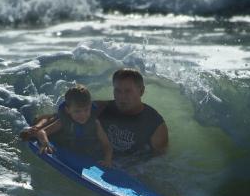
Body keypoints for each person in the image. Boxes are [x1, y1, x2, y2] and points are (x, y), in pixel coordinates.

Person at [21, 68, 168, 158]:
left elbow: (158, 160)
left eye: (128, 91)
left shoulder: (154, 125)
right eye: (117, 90)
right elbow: (60, 116)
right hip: (91, 155)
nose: (121, 96)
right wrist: (38, 128)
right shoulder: (102, 108)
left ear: (141, 91)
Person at [31, 84, 113, 167]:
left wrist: (107, 159)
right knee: (42, 125)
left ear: (90, 107)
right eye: (77, 111)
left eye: (86, 110)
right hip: (63, 140)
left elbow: (107, 145)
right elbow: (42, 132)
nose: (83, 115)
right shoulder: (64, 121)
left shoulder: (95, 123)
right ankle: (41, 120)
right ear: (68, 110)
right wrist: (45, 144)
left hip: (82, 147)